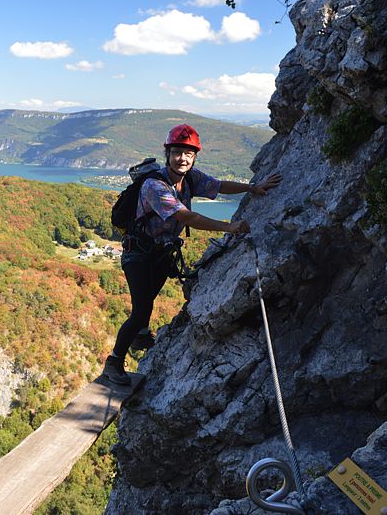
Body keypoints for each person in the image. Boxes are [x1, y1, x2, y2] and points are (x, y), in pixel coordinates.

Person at [102, 124, 282, 385]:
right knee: (141, 309)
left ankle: (140, 335)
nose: (182, 158)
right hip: (138, 253)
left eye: (188, 154)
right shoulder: (155, 186)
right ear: (168, 154)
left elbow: (218, 185)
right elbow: (187, 216)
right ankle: (114, 362)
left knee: (149, 299)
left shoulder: (191, 178)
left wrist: (253, 188)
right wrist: (228, 227)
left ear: (195, 156)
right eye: (177, 152)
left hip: (161, 252)